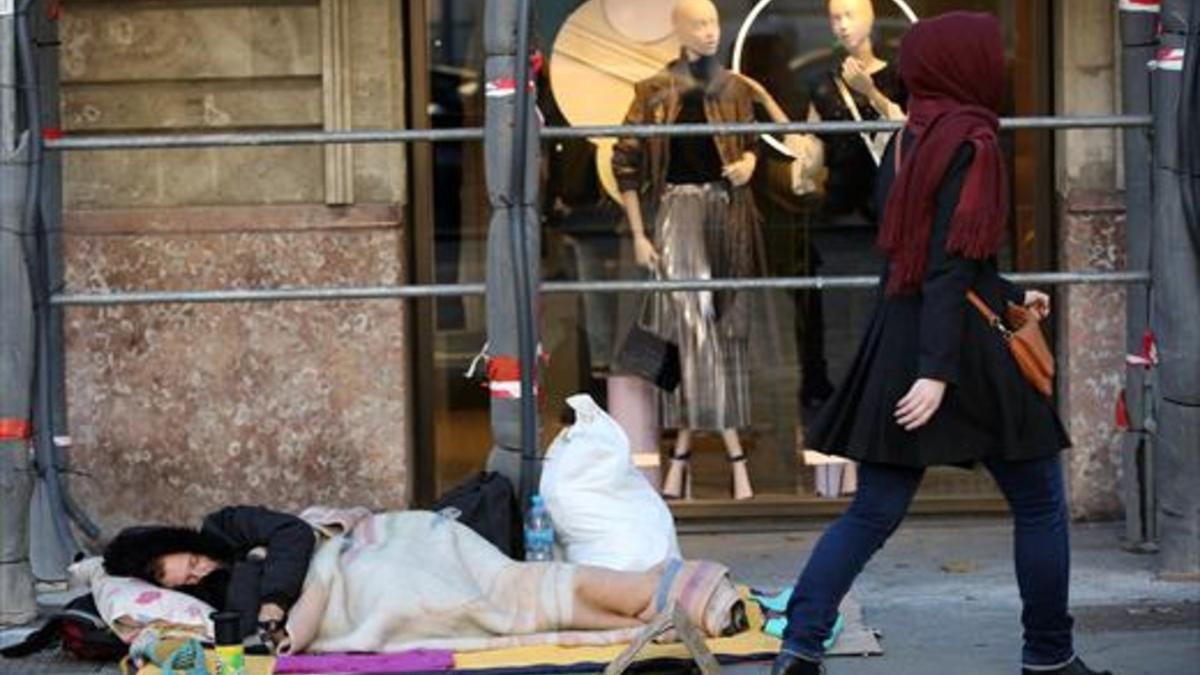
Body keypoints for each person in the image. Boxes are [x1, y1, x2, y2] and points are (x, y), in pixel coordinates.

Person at [770, 13, 1111, 675]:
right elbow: (949, 264)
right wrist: (938, 370)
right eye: (989, 53)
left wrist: (1010, 294)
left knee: (873, 508)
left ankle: (800, 644)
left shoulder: (910, 138)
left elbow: (935, 256)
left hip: (902, 335)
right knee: (1040, 498)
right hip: (953, 349)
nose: (1001, 64)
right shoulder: (973, 138)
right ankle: (1048, 656)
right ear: (965, 65)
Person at [103, 505, 745, 654]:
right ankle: (659, 610)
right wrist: (272, 607)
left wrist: (272, 595)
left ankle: (661, 591)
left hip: (367, 556)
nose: (190, 571)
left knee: (514, 586)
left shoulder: (226, 526)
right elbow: (257, 628)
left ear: (183, 541)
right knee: (511, 609)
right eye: (172, 578)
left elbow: (298, 538)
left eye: (180, 558)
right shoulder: (211, 605)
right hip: (353, 603)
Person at [612, 0, 763, 501]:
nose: (710, 32)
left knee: (718, 334)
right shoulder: (654, 92)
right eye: (698, 23)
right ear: (678, 30)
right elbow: (626, 163)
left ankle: (681, 459)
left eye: (714, 22)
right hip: (677, 215)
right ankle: (735, 461)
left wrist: (750, 162)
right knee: (696, 328)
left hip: (728, 217)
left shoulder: (737, 89)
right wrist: (638, 234)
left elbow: (765, 143)